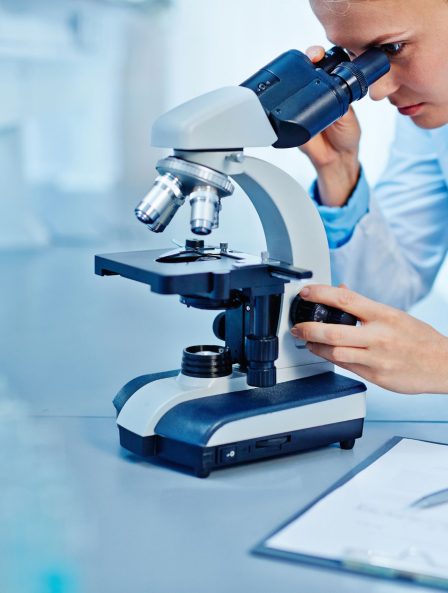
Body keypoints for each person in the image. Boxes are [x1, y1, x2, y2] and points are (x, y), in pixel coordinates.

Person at [290, 0, 448, 394]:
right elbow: (386, 297)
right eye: (353, 57)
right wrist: (338, 168)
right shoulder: (433, 119)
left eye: (392, 49)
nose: (377, 91)